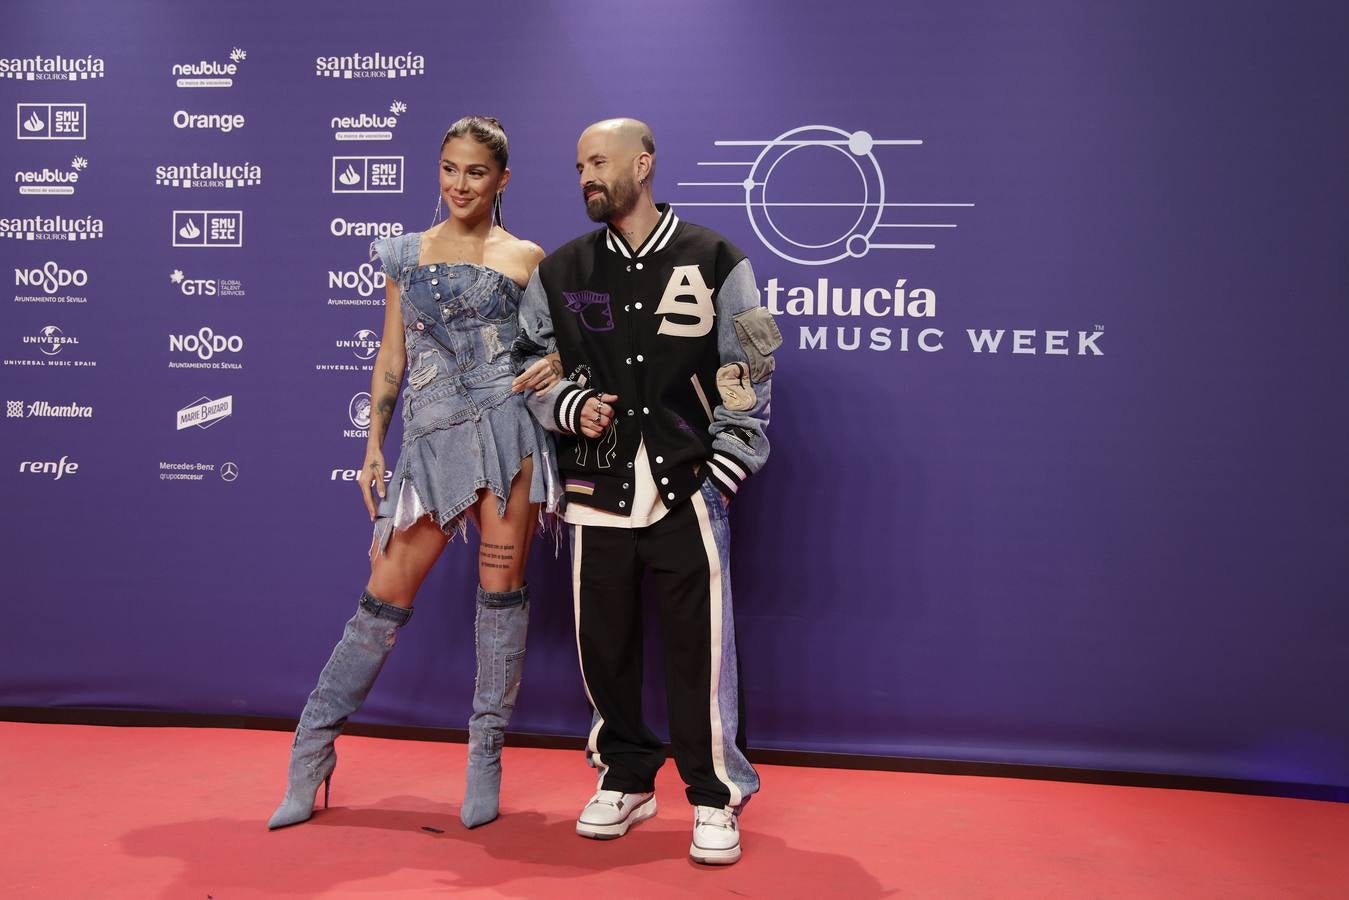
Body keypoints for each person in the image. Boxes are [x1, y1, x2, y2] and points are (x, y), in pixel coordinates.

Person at [267, 115, 563, 832]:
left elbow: (547, 353)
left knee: (501, 598)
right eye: (450, 169)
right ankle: (311, 751)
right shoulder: (405, 254)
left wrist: (554, 365)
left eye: (476, 172)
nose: (460, 184)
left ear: (502, 180)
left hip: (507, 441)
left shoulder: (526, 258)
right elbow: (391, 358)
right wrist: (374, 444)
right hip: (429, 442)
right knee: (381, 599)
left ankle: (484, 756)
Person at [511, 118, 781, 865]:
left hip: (685, 488)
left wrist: (722, 471)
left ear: (645, 163)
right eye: (577, 167)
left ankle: (714, 794)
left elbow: (750, 374)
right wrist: (568, 406)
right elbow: (528, 362)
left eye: (598, 162)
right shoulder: (560, 270)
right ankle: (625, 776)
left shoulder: (717, 258)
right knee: (604, 646)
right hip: (594, 491)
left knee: (701, 652)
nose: (585, 177)